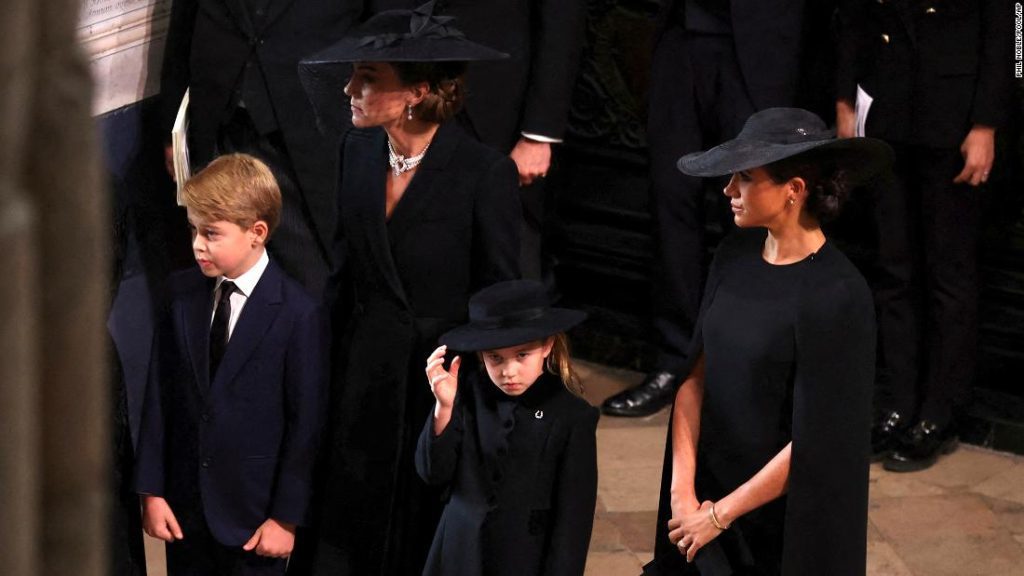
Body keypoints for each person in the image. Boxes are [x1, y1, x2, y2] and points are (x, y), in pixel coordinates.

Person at [298, 4, 522, 574]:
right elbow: (345, 270)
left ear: (416, 92)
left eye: (368, 79)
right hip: (361, 375)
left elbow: (497, 296)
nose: (350, 89)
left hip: (435, 382)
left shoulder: (481, 173)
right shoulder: (356, 151)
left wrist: (469, 397)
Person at [644, 108, 891, 575]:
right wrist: (683, 494)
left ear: (793, 190)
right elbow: (694, 379)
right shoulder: (732, 255)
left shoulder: (839, 294)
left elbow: (819, 440)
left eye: (744, 177)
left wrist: (720, 516)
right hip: (702, 500)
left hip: (780, 525)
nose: (728, 190)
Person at [602, 0, 811, 418]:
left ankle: (748, 373)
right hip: (680, 39)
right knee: (670, 203)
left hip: (761, 45)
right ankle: (674, 364)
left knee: (756, 212)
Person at [835, 0, 1011, 471]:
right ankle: (899, 404)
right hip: (887, 111)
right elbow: (852, 19)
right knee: (894, 269)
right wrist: (844, 103)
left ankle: (941, 412)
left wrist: (987, 124)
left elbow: (1014, 33)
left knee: (947, 275)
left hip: (955, 123)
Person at [134, 154, 330, 575]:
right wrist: (152, 491)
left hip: (254, 520)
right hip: (185, 512)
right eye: (193, 230)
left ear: (257, 232)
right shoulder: (181, 294)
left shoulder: (299, 313)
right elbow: (159, 397)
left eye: (211, 233)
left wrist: (285, 517)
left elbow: (306, 427)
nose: (197, 245)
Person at [365, 0, 587, 279]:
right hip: (395, 78)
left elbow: (562, 14)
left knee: (507, 274)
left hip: (498, 110)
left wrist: (539, 134)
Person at [159, 0, 364, 295]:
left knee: (310, 276)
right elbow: (184, 21)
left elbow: (387, 22)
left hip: (311, 127)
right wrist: (171, 128)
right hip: (220, 120)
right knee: (225, 278)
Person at [415, 279, 598, 576]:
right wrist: (444, 407)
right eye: (495, 358)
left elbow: (573, 522)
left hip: (522, 560)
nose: (508, 371)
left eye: (522, 355)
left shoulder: (573, 417)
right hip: (457, 553)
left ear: (547, 346)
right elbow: (432, 472)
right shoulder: (465, 394)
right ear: (481, 355)